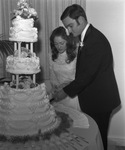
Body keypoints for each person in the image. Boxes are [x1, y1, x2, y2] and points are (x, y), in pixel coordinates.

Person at [52, 4, 121, 150]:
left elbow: (86, 76)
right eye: (67, 27)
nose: (69, 31)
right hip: (95, 98)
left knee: (99, 138)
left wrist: (63, 92)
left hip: (100, 101)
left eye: (70, 26)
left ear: (81, 19)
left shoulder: (94, 40)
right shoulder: (88, 36)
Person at [48, 26, 81, 111]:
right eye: (56, 44)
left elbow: (80, 78)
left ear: (68, 41)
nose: (59, 47)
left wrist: (66, 85)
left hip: (72, 95)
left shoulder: (76, 54)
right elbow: (53, 76)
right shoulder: (52, 55)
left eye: (62, 43)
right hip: (58, 95)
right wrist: (54, 88)